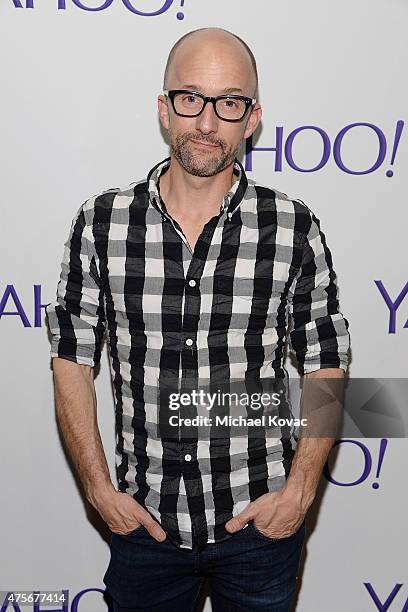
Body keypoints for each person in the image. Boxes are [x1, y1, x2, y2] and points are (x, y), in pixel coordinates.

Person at [45, 27, 350, 612]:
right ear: (164, 108)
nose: (207, 122)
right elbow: (71, 359)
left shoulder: (291, 227)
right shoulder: (103, 222)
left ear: (251, 118)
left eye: (229, 102)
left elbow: (327, 361)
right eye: (190, 98)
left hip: (259, 525)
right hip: (145, 526)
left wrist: (301, 490)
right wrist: (98, 491)